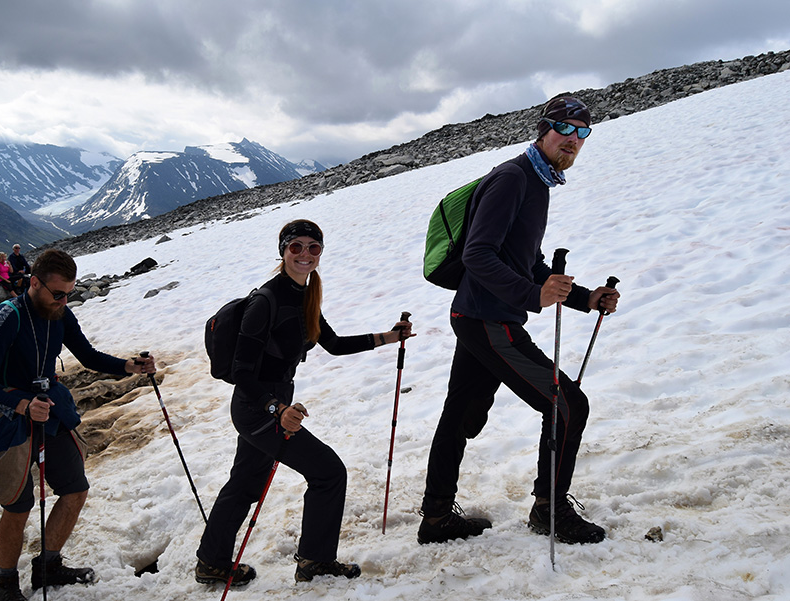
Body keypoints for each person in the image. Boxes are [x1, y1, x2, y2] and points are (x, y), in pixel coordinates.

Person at [417, 96, 620, 547]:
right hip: (488, 320)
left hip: (479, 315)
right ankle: (550, 510)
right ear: (543, 129)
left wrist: (585, 298)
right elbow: (478, 255)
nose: (573, 139)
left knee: (461, 414)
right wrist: (533, 295)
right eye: (564, 129)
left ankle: (435, 519)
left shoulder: (536, 181)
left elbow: (524, 261)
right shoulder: (514, 178)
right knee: (568, 404)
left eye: (583, 132)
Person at [195, 219, 414, 587]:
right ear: (282, 251)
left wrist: (389, 337)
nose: (305, 254)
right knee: (328, 473)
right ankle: (315, 561)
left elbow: (333, 343)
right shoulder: (267, 301)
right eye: (296, 246)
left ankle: (212, 562)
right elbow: (242, 371)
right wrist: (276, 409)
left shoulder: (303, 295)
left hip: (269, 405)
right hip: (258, 407)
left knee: (245, 483)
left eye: (313, 247)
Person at [0, 248, 157, 601]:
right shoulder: (7, 317)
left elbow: (87, 355)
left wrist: (129, 366)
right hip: (10, 415)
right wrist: (22, 405)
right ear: (34, 282)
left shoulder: (60, 312)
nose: (64, 300)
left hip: (48, 409)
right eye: (58, 293)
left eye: (69, 293)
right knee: (18, 504)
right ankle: (7, 585)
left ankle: (48, 566)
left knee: (75, 489)